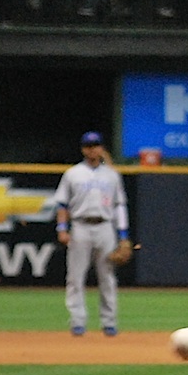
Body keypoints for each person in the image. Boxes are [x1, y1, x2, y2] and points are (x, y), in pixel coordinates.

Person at [54, 131, 131, 336]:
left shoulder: (112, 175)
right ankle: (77, 321)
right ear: (83, 149)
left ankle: (109, 322)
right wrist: (62, 228)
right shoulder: (72, 174)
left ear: (101, 148)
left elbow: (120, 206)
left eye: (96, 145)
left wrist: (123, 235)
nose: (92, 149)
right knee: (75, 276)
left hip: (105, 227)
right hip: (80, 226)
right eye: (88, 146)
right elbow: (62, 205)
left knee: (107, 277)